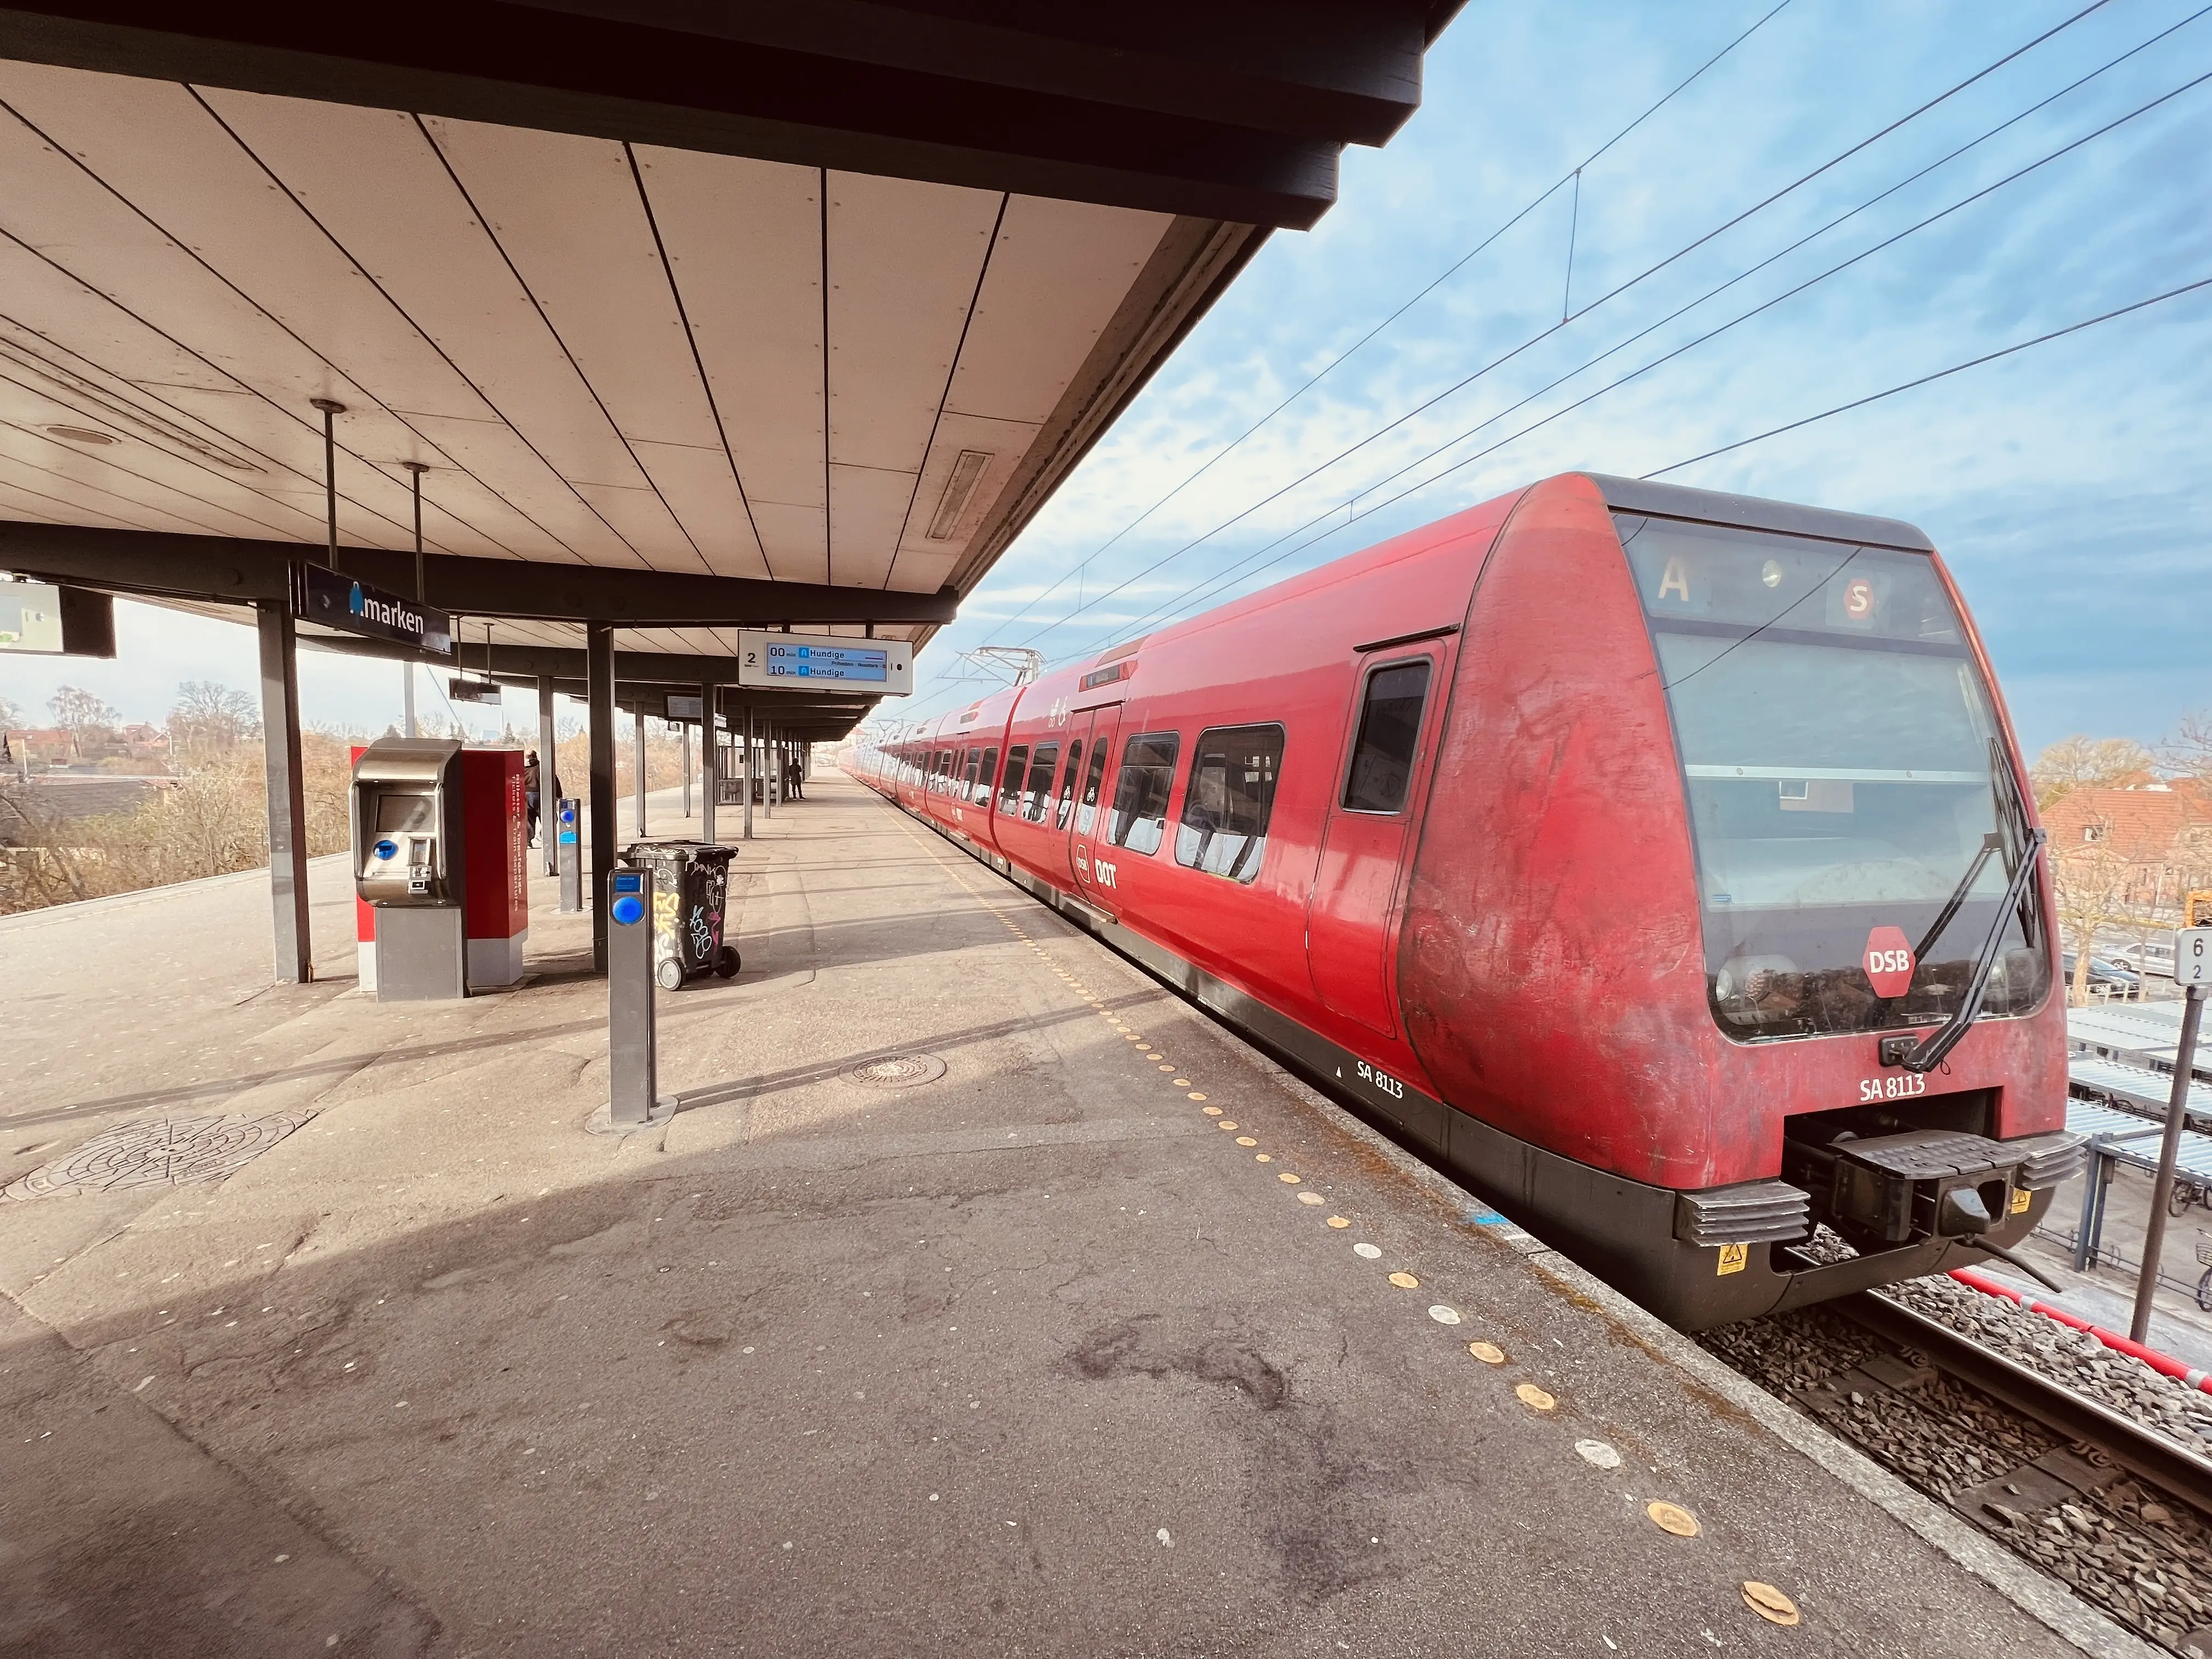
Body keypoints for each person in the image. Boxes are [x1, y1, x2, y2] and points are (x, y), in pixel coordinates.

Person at [523, 750, 541, 845]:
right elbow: (553, 780)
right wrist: (558, 796)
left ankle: (528, 841)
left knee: (529, 820)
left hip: (525, 795)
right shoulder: (541, 768)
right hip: (539, 794)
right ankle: (546, 837)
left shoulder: (521, 768)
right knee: (547, 817)